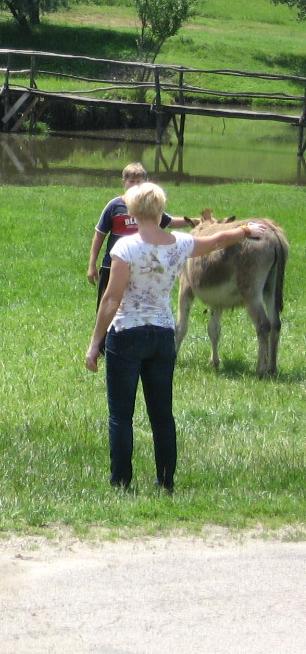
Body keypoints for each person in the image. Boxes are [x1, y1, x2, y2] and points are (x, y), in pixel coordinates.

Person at [85, 182, 261, 491]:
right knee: (162, 415)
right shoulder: (180, 242)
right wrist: (245, 230)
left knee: (121, 416)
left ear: (132, 211)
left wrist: (94, 343)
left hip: (127, 334)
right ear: (161, 210)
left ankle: (121, 483)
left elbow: (111, 300)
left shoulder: (125, 248)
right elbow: (218, 240)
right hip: (163, 335)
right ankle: (165, 481)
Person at [88, 162, 193, 307]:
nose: (135, 185)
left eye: (139, 182)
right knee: (107, 304)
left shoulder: (148, 208)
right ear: (124, 182)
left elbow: (169, 222)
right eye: (131, 181)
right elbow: (99, 235)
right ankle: (103, 330)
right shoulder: (114, 206)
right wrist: (92, 265)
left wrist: (195, 221)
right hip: (112, 265)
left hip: (140, 265)